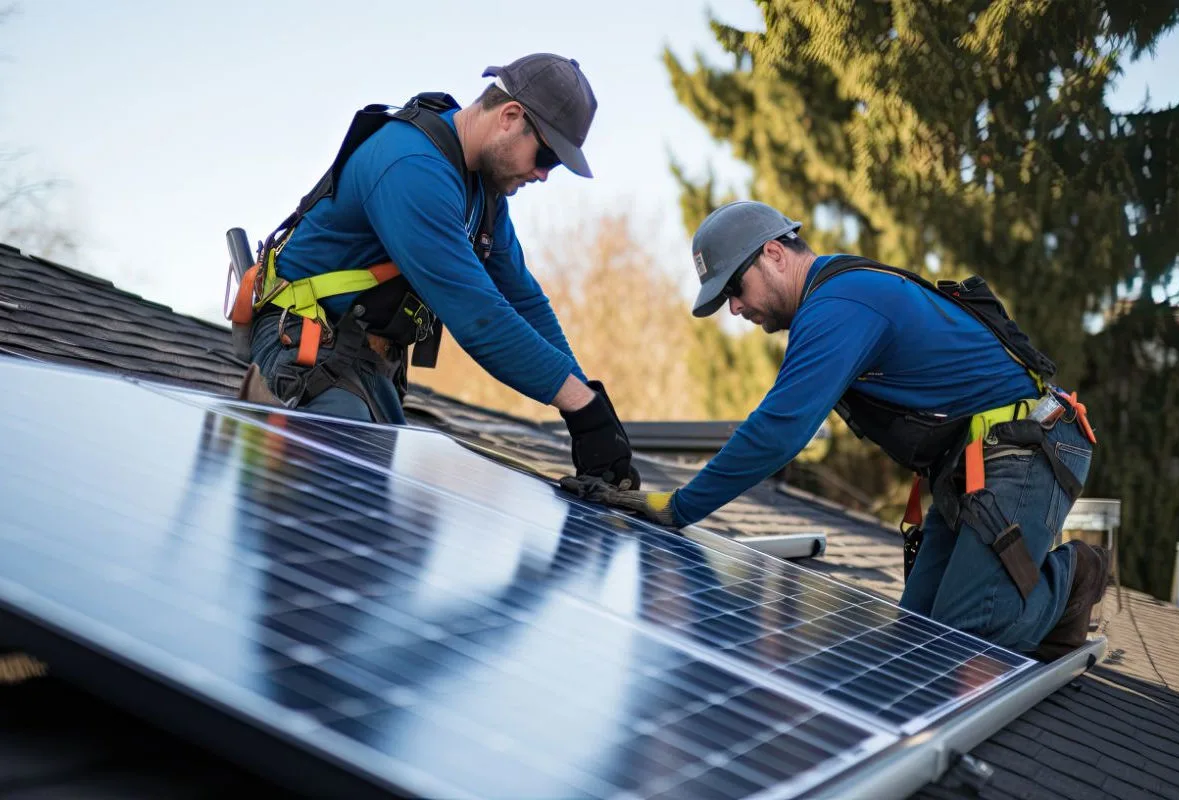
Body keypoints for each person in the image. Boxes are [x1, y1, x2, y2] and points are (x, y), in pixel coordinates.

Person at [562, 200, 1108, 661]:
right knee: (920, 642)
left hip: (1028, 446)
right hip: (967, 469)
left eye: (735, 286)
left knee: (965, 644)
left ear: (774, 254)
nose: (734, 307)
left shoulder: (839, 305)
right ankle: (1037, 607)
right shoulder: (833, 299)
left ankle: (1074, 574)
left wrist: (677, 506)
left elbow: (779, 430)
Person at [231, 53, 639, 490]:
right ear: (509, 116)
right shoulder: (411, 166)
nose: (543, 174)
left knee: (380, 530)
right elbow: (477, 314)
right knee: (340, 486)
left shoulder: (483, 195)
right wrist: (579, 408)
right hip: (306, 348)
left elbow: (523, 301)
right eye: (547, 156)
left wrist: (590, 402)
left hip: (362, 363)